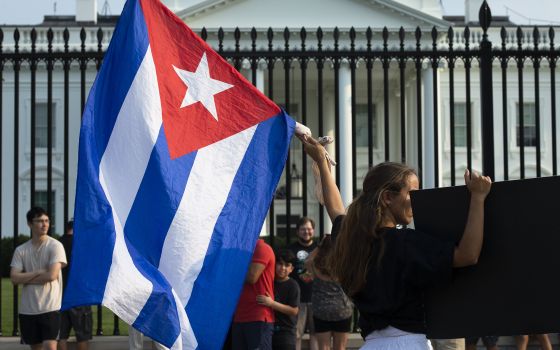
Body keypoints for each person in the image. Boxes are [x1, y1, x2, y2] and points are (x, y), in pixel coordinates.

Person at [297, 134, 492, 350]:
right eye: (412, 193)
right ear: (388, 197)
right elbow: (468, 255)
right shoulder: (406, 243)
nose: (417, 200)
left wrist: (321, 162)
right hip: (409, 343)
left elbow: (334, 208)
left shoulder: (352, 239)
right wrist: (478, 198)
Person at [10, 207, 67, 350]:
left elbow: (51, 275)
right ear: (30, 224)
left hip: (50, 307)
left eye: (47, 220)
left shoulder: (55, 246)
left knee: (50, 347)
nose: (45, 224)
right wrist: (38, 273)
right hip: (28, 309)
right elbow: (14, 278)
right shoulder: (21, 250)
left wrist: (26, 277)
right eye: (40, 221)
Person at [306, 235, 353, 350]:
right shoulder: (344, 265)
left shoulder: (316, 266)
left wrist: (319, 246)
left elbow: (308, 260)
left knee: (323, 347)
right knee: (340, 347)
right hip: (343, 310)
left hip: (321, 311)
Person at [233, 239, 276, 349]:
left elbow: (252, 277)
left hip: (258, 316)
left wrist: (230, 267)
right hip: (240, 316)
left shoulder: (262, 248)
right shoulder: (239, 250)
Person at [58, 220, 93, 350]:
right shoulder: (82, 244)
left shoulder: (57, 244)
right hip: (80, 295)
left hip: (61, 294)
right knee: (82, 335)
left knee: (61, 336)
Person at [257, 249, 300, 350]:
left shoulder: (293, 285)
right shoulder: (270, 281)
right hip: (269, 331)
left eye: (287, 265)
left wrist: (272, 303)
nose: (283, 268)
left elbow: (294, 310)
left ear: (292, 269)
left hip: (286, 334)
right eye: (280, 264)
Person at [288, 217, 318, 350]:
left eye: (309, 229)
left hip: (317, 298)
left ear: (313, 230)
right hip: (297, 300)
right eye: (303, 229)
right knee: (296, 334)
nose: (306, 232)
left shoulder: (319, 248)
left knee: (316, 334)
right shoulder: (291, 249)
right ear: (297, 232)